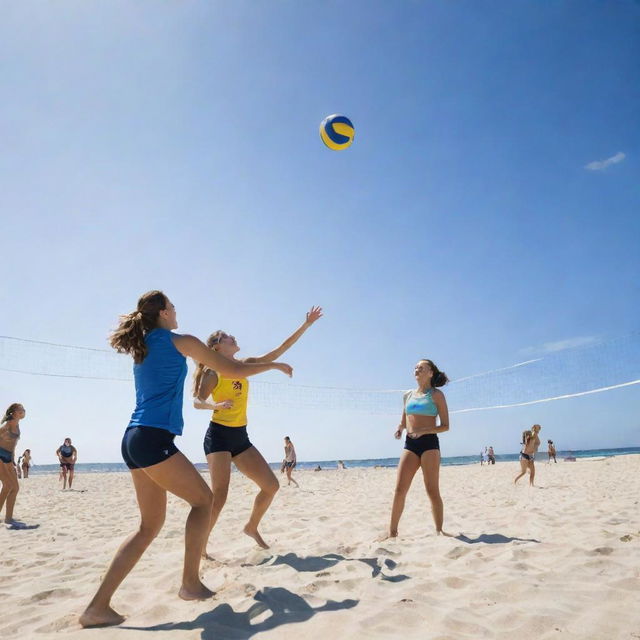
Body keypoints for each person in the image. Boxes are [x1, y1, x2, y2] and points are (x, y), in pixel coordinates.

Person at [79, 290, 293, 628]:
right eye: (174, 307)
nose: (177, 312)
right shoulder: (181, 341)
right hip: (152, 438)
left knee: (149, 527)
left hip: (133, 439)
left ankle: (97, 608)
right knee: (204, 501)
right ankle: (190, 585)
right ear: (164, 312)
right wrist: (274, 365)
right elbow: (233, 369)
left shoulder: (143, 345)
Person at [192, 306, 321, 553]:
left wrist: (306, 325)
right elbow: (197, 401)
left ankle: (251, 527)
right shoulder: (212, 372)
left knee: (271, 486)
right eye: (228, 336)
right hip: (218, 435)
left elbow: (279, 350)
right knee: (219, 496)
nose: (233, 338)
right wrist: (213, 405)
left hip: (240, 436)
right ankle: (200, 546)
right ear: (217, 347)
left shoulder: (245, 365)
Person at [387, 359, 450, 537]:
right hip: (410, 444)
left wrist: (424, 430)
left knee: (432, 490)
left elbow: (445, 426)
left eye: (421, 367)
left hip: (429, 444)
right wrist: (400, 428)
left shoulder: (436, 395)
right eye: (415, 367)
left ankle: (439, 531)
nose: (417, 369)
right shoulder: (407, 395)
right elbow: (403, 421)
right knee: (400, 490)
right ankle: (392, 532)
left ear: (430, 373)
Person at [0, 403, 25, 526]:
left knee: (14, 487)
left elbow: (13, 444)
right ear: (13, 412)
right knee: (8, 486)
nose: (23, 411)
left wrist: (13, 460)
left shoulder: (17, 425)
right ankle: (8, 519)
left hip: (9, 458)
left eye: (23, 409)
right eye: (20, 409)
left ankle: (8, 518)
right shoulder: (6, 427)